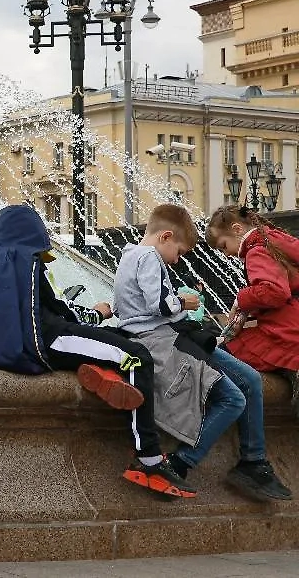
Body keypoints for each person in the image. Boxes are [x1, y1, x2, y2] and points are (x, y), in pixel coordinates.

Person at [0, 204, 194, 499]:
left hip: (52, 338)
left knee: (118, 341)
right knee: (137, 357)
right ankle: (149, 459)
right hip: (51, 342)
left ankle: (102, 373)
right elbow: (41, 316)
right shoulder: (19, 260)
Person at [115, 203, 290, 500]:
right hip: (167, 342)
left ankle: (253, 462)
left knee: (249, 380)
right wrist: (185, 303)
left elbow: (128, 307)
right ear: (166, 237)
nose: (177, 261)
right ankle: (181, 463)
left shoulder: (131, 257)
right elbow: (159, 306)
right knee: (234, 397)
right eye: (180, 253)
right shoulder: (147, 256)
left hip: (178, 337)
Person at [206, 205, 299, 377]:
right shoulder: (272, 239)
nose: (225, 255)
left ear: (237, 229)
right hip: (292, 325)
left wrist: (241, 299)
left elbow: (275, 291)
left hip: (285, 333)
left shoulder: (256, 251)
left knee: (223, 353)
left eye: (224, 246)